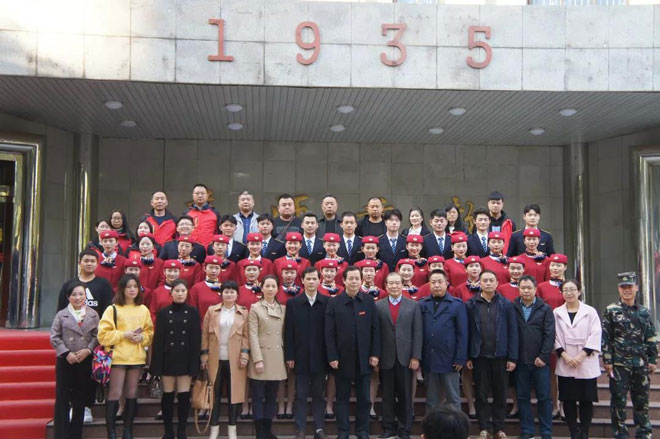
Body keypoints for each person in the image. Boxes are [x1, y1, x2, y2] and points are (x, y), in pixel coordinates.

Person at [325, 266, 381, 439]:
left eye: (357, 278)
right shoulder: (334, 302)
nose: (354, 281)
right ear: (344, 280)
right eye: (351, 278)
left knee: (364, 398)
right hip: (341, 359)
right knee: (342, 398)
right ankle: (343, 431)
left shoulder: (369, 301)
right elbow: (329, 333)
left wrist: (375, 354)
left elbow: (375, 330)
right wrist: (332, 356)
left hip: (364, 359)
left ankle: (362, 431)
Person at [602, 272, 657, 439]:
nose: (627, 290)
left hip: (640, 364)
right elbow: (606, 337)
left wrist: (652, 359)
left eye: (630, 287)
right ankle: (620, 435)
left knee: (642, 403)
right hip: (619, 365)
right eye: (623, 287)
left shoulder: (644, 312)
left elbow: (650, 336)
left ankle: (644, 434)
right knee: (618, 403)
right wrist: (607, 360)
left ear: (636, 288)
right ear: (619, 289)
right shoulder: (611, 310)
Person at [98, 274, 154, 439]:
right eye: (129, 287)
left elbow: (149, 333)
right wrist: (124, 335)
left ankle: (127, 431)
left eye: (135, 287)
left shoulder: (143, 309)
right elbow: (103, 335)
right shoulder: (113, 309)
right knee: (115, 393)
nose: (132, 290)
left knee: (132, 393)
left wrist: (141, 338)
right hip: (118, 356)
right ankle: (111, 433)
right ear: (122, 289)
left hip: (136, 357)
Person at [465, 270, 518, 439]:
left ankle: (499, 428)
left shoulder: (506, 304)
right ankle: (484, 428)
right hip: (479, 357)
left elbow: (513, 332)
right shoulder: (471, 305)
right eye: (485, 280)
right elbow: (467, 332)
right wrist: (468, 356)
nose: (488, 283)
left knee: (500, 394)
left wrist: (512, 357)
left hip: (501, 357)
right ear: (479, 283)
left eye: (491, 280)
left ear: (497, 283)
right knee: (481, 394)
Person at [150, 279, 201, 439]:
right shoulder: (164, 313)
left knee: (184, 396)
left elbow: (196, 340)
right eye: (177, 291)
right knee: (168, 395)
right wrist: (156, 366)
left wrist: (195, 364)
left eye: (183, 291)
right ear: (171, 293)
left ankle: (182, 431)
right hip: (168, 358)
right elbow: (158, 340)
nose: (180, 294)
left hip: (185, 358)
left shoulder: (193, 312)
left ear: (187, 293)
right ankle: (168, 432)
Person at [284, 267, 330, 439]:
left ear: (319, 280)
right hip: (300, 356)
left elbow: (330, 332)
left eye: (314, 279)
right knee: (301, 394)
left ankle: (319, 428)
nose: (311, 282)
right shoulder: (293, 303)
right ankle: (300, 429)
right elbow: (289, 332)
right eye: (308, 279)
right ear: (302, 281)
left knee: (319, 394)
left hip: (320, 356)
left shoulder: (327, 302)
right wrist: (290, 355)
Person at [375, 272, 422, 439]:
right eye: (391, 283)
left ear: (403, 285)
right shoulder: (378, 306)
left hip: (406, 358)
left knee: (405, 395)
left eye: (397, 283)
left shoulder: (413, 305)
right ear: (386, 286)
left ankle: (404, 429)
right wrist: (376, 355)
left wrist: (415, 356)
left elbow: (418, 332)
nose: (394, 286)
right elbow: (376, 333)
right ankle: (388, 428)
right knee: (387, 395)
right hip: (386, 357)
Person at [201, 281, 250, 439]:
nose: (229, 294)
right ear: (221, 294)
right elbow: (205, 334)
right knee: (214, 395)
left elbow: (246, 336)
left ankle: (232, 430)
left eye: (232, 292)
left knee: (233, 395)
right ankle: (214, 430)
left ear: (237, 295)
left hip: (235, 359)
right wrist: (204, 355)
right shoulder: (212, 311)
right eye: (226, 291)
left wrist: (244, 355)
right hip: (215, 357)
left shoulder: (243, 312)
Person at [50, 281, 99, 439]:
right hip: (66, 360)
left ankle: (76, 434)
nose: (78, 297)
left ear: (85, 296)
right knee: (62, 398)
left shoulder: (93, 314)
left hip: (84, 360)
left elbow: (97, 336)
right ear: (68, 297)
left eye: (81, 294)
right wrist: (66, 353)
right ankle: (61, 434)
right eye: (74, 295)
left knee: (80, 398)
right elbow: (54, 337)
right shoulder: (61, 315)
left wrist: (88, 350)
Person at [554, 279, 602, 439]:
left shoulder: (590, 311)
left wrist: (581, 356)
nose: (569, 293)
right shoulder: (556, 313)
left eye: (572, 289)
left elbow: (596, 334)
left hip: (586, 360)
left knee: (586, 399)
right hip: (565, 360)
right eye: (565, 290)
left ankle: (584, 432)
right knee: (568, 399)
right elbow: (553, 336)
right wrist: (565, 356)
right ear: (561, 293)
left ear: (579, 291)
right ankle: (573, 432)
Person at [512, 275, 555, 439]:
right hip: (520, 361)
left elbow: (550, 335)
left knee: (544, 397)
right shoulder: (513, 307)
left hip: (540, 362)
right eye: (523, 288)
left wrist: (543, 356)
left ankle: (546, 432)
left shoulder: (545, 309)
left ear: (535, 289)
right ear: (518, 289)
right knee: (522, 397)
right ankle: (527, 431)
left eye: (529, 288)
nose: (526, 291)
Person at [419, 270, 468, 412]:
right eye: (433, 282)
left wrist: (460, 358)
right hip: (430, 357)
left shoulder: (457, 305)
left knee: (453, 398)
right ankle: (431, 426)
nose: (437, 285)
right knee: (431, 399)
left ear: (447, 283)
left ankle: (456, 426)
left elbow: (462, 333)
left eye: (440, 282)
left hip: (450, 359)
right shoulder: (422, 304)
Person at [248, 275, 287, 439]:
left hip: (277, 356)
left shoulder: (282, 309)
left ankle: (267, 430)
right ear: (262, 288)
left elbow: (285, 334)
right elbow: (252, 335)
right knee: (257, 396)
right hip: (261, 356)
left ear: (278, 289)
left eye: (273, 286)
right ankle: (260, 433)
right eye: (267, 286)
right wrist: (258, 359)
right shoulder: (255, 307)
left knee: (271, 396)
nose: (270, 289)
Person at [188, 256, 228, 326]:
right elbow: (193, 310)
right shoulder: (197, 288)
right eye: (211, 267)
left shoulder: (225, 288)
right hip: (202, 326)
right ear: (205, 268)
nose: (214, 271)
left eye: (217, 268)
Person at [182, 183, 221, 248]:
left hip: (209, 249)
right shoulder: (186, 213)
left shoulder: (215, 213)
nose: (200, 196)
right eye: (197, 193)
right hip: (190, 249)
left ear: (207, 196)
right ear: (193, 195)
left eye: (202, 193)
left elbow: (219, 232)